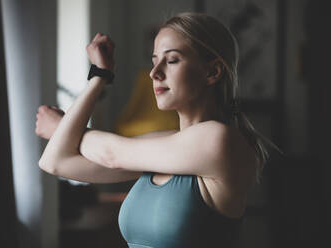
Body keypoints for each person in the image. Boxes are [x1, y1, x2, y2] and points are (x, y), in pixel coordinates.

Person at [36, 12, 281, 247]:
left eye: (172, 60)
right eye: (154, 61)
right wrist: (99, 76)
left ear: (212, 71)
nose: (154, 73)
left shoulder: (220, 140)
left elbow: (112, 155)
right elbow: (56, 161)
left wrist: (61, 126)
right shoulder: (161, 147)